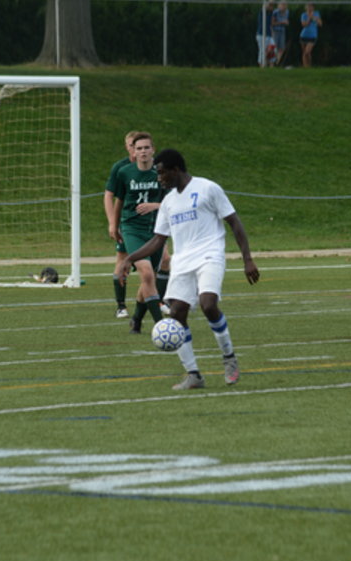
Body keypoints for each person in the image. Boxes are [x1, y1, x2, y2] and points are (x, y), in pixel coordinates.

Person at [118, 148, 260, 390]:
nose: (159, 179)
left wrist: (247, 259)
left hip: (209, 256)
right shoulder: (168, 202)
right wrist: (129, 259)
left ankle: (229, 358)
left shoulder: (208, 188)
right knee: (176, 315)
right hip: (182, 263)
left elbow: (234, 222)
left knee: (208, 304)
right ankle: (194, 374)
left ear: (176, 170)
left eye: (162, 173)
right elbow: (158, 240)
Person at [112, 132, 166, 333]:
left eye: (146, 148)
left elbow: (173, 201)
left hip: (156, 231)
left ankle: (136, 318)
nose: (143, 151)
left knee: (149, 278)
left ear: (153, 150)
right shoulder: (125, 172)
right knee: (146, 272)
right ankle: (161, 325)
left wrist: (155, 205)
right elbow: (119, 201)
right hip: (132, 229)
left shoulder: (161, 172)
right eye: (139, 148)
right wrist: (114, 225)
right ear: (133, 151)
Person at [104, 131, 138, 318]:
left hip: (150, 223)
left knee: (164, 260)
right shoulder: (121, 168)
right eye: (132, 145)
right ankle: (121, 306)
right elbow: (110, 196)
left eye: (140, 146)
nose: (136, 149)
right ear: (127, 147)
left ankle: (159, 301)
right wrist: (113, 223)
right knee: (122, 260)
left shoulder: (154, 167)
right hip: (128, 222)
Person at [256, 0, 279, 67]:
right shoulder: (262, 12)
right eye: (271, 6)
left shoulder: (270, 13)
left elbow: (270, 25)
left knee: (273, 49)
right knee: (262, 50)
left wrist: (272, 34)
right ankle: (262, 64)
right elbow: (268, 3)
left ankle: (271, 64)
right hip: (261, 34)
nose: (272, 7)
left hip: (269, 34)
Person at [300, 3, 322, 68]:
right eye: (308, 6)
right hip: (304, 35)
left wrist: (314, 18)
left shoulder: (316, 14)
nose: (309, 8)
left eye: (311, 6)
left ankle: (309, 66)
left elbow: (320, 24)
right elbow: (304, 25)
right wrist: (309, 18)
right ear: (306, 7)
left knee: (307, 52)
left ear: (313, 7)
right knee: (304, 53)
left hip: (313, 35)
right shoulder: (304, 15)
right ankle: (305, 67)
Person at [271, 0, 289, 66]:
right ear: (279, 6)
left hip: (282, 31)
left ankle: (277, 63)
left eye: (285, 5)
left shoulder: (287, 12)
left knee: (282, 48)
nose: (284, 7)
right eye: (282, 5)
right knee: (274, 47)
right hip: (275, 31)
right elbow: (272, 23)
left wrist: (286, 23)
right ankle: (272, 62)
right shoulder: (275, 12)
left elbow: (286, 21)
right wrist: (282, 22)